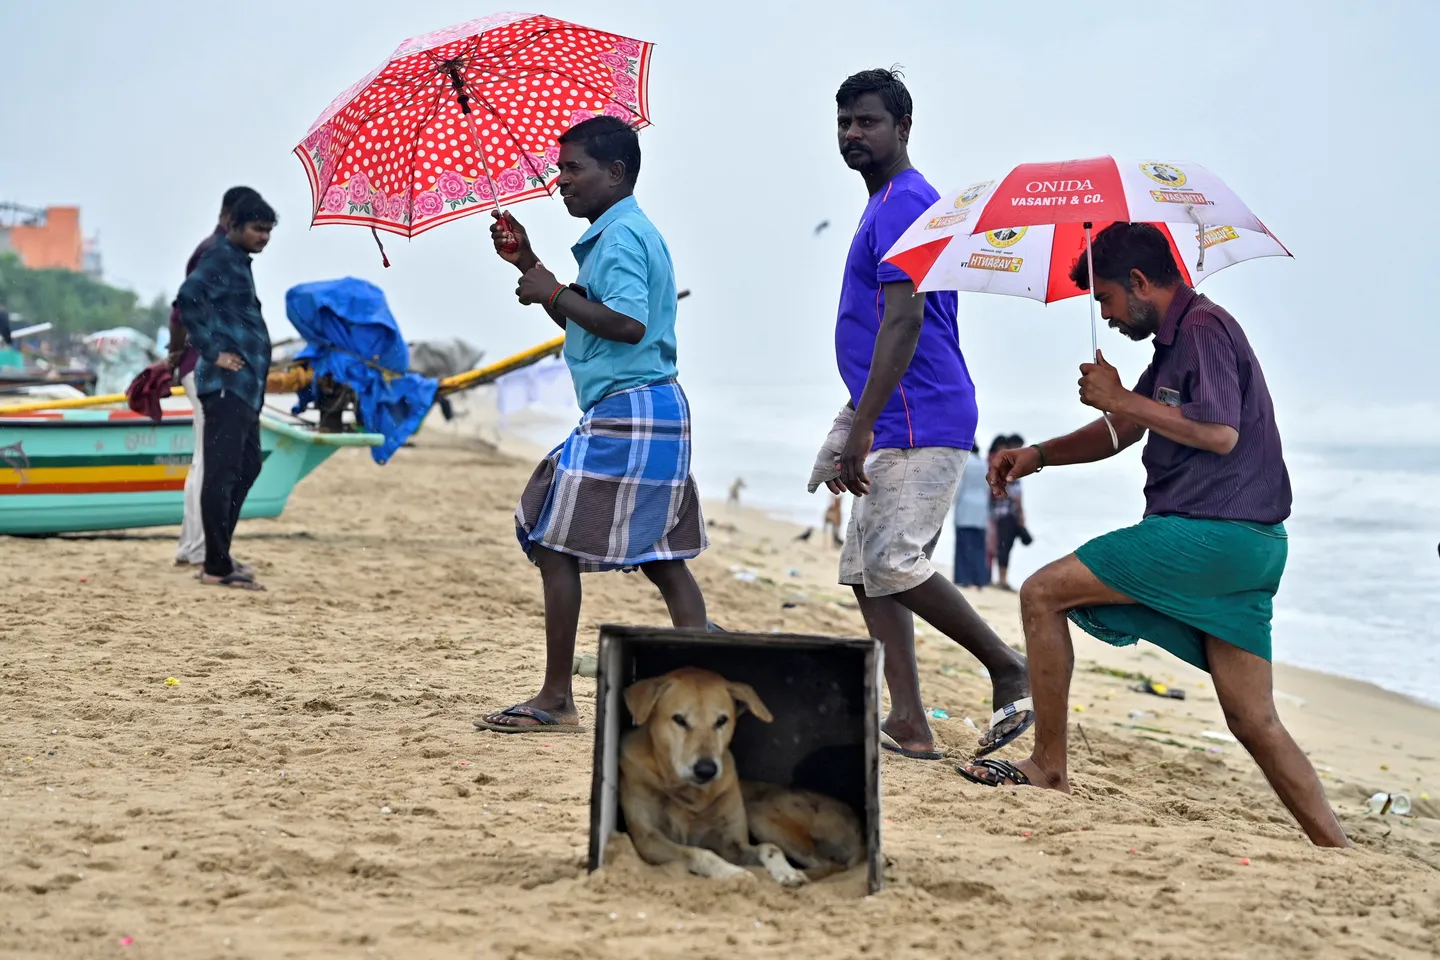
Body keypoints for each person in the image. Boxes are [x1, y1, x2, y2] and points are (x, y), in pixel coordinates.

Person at [957, 222, 1348, 849]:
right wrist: (1039, 455)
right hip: (1250, 546)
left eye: (1107, 299)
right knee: (1253, 719)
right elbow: (1124, 430)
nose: (1107, 316)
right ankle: (1337, 849)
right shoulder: (1172, 344)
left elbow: (1218, 432)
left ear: (1140, 282)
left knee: (1041, 592)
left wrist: (1120, 398)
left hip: (1212, 534)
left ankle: (1048, 766)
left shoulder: (1205, 328)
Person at [811, 68, 1032, 761]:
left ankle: (1009, 667)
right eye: (844, 122)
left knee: (894, 559)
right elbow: (882, 323)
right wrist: (852, 420)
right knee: (865, 570)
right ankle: (909, 719)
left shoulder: (906, 200)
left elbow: (904, 322)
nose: (853, 133)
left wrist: (864, 426)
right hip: (894, 411)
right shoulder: (886, 201)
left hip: (921, 412)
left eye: (868, 121)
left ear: (903, 128)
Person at [474, 116, 709, 733]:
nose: (560, 180)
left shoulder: (622, 236)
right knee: (662, 556)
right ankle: (706, 677)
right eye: (560, 168)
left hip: (632, 409)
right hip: (652, 406)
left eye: (573, 168)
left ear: (616, 172)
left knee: (553, 538)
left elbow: (627, 325)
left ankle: (556, 700)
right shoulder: (619, 234)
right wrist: (528, 263)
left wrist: (552, 291)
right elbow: (595, 326)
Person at [174, 192, 277, 592]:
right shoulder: (219, 256)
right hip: (225, 388)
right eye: (257, 229)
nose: (263, 237)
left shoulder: (237, 260)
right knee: (221, 474)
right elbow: (187, 299)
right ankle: (215, 565)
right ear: (232, 223)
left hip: (245, 388)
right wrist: (213, 352)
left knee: (248, 466)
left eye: (268, 231)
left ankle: (220, 553)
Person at [989, 433, 1027, 591]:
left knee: (999, 546)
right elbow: (1017, 496)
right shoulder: (1012, 468)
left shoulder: (999, 465)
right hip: (1008, 514)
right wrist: (1022, 516)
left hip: (997, 513)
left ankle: (997, 578)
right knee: (1005, 547)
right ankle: (1003, 580)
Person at [951, 442, 989, 587]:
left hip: (965, 506)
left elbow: (959, 486)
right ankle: (979, 579)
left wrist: (950, 505)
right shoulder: (983, 462)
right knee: (978, 547)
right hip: (981, 507)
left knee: (964, 546)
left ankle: (964, 578)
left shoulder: (965, 461)